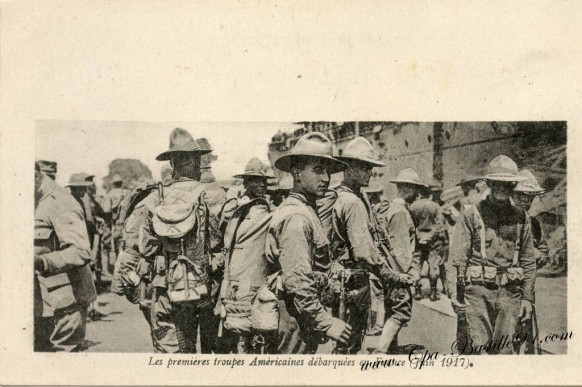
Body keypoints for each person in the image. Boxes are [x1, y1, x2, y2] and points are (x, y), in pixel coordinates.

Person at [266, 132, 352, 354]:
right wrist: (326, 322)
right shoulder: (297, 217)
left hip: (300, 317)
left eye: (328, 171)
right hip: (295, 320)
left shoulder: (306, 209)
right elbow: (298, 282)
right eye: (318, 170)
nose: (326, 178)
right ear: (296, 173)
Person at [139, 127, 220, 354]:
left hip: (169, 287)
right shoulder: (211, 195)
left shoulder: (156, 198)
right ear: (196, 161)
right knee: (211, 352)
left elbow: (147, 247)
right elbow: (221, 242)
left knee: (176, 353)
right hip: (206, 287)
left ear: (172, 163)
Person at [330, 137, 411, 354]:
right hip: (353, 282)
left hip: (344, 280)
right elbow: (364, 253)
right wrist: (395, 276)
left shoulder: (347, 195)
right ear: (348, 168)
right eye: (365, 167)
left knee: (346, 341)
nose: (370, 173)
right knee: (350, 344)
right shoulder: (353, 202)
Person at [448, 155, 536, 355]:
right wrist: (453, 291)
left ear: (513, 185)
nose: (501, 188)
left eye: (507, 184)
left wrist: (527, 299)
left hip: (510, 295)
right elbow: (457, 257)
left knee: (505, 352)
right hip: (477, 293)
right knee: (477, 351)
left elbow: (528, 261)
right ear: (488, 183)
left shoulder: (522, 218)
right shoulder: (471, 214)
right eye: (496, 183)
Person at [34, 162, 97, 351]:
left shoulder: (59, 201)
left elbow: (80, 250)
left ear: (35, 175)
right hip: (40, 303)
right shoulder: (32, 198)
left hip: (65, 303)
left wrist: (43, 261)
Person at [217, 158, 276, 354]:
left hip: (244, 276)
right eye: (254, 180)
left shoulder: (237, 207)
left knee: (246, 330)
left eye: (263, 181)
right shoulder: (253, 209)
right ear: (246, 183)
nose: (261, 185)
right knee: (246, 330)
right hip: (246, 278)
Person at [373, 168, 425, 354]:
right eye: (415, 189)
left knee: (391, 309)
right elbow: (400, 250)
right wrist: (406, 274)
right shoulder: (401, 212)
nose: (418, 193)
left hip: (385, 269)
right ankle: (382, 350)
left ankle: (391, 347)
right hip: (396, 271)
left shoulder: (386, 208)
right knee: (402, 311)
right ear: (406, 189)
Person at [409, 180, 446, 301]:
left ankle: (418, 292)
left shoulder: (413, 206)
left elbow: (411, 226)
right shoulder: (436, 206)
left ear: (419, 192)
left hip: (418, 240)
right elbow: (439, 226)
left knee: (416, 265)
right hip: (433, 241)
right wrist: (429, 236)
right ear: (430, 193)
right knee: (433, 266)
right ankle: (433, 293)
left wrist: (420, 236)